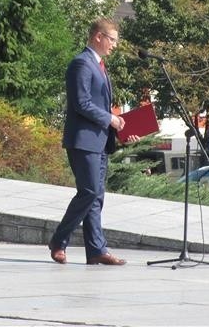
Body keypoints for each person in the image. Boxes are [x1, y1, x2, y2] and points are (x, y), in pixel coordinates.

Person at [48, 18, 136, 266]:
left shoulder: (99, 66)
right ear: (98, 36)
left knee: (96, 197)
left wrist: (121, 129)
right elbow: (82, 103)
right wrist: (111, 119)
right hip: (83, 141)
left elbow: (99, 107)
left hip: (99, 142)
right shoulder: (81, 63)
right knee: (88, 192)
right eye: (112, 39)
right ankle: (58, 240)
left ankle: (96, 249)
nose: (115, 45)